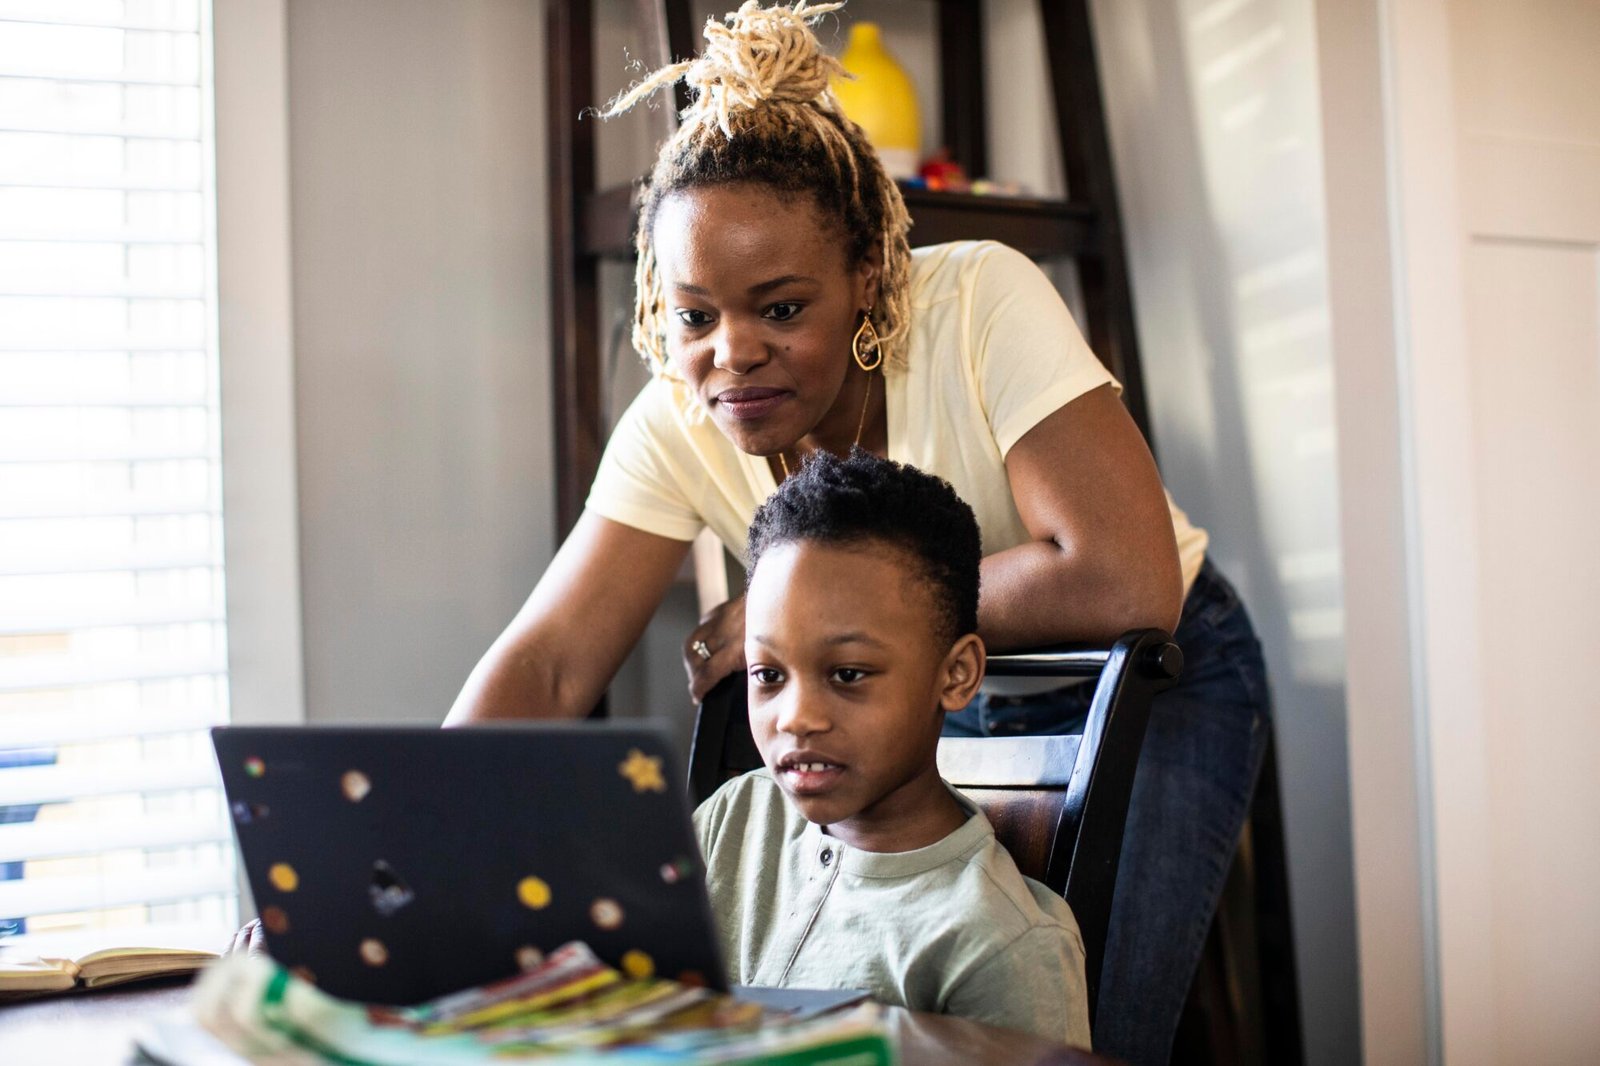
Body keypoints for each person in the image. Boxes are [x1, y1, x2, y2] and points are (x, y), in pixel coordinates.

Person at [447, 3, 1268, 1062]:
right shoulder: (680, 413)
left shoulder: (977, 303)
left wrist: (810, 615)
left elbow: (1119, 578)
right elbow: (550, 660)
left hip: (1151, 673)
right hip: (919, 695)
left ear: (867, 279)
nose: (730, 354)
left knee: (1071, 1029)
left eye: (780, 309)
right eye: (694, 316)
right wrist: (403, 868)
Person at [697, 448, 1090, 1045]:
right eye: (768, 675)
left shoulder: (1001, 944)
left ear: (956, 674)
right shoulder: (731, 820)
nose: (796, 719)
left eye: (849, 674)